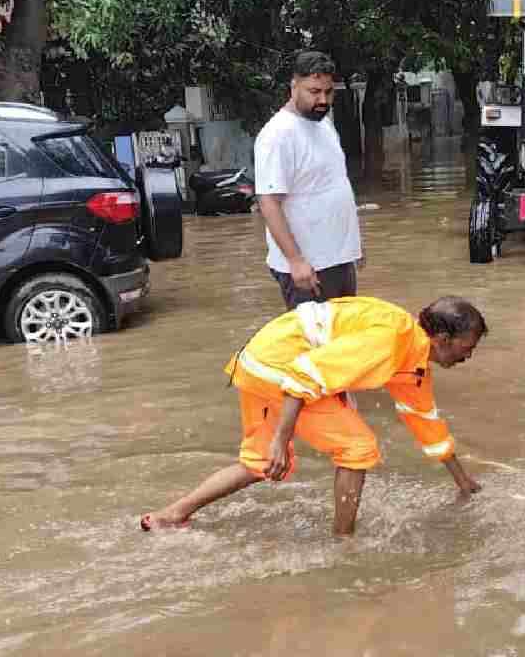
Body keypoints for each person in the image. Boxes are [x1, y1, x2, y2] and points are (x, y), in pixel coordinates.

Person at [140, 296, 487, 536]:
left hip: (260, 361)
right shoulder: (389, 340)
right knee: (358, 448)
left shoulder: (412, 359)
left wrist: (463, 482)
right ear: (442, 338)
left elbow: (425, 420)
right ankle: (343, 542)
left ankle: (170, 516)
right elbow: (303, 377)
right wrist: (281, 439)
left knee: (260, 463)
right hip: (280, 368)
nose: (469, 355)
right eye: (467, 347)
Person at [254, 50, 363, 311]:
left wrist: (353, 248)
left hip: (338, 259)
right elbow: (268, 203)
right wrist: (295, 261)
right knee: (316, 347)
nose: (322, 100)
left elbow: (334, 185)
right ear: (294, 86)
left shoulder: (323, 124)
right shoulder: (278, 135)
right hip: (309, 268)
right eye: (314, 92)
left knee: (344, 343)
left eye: (328, 92)